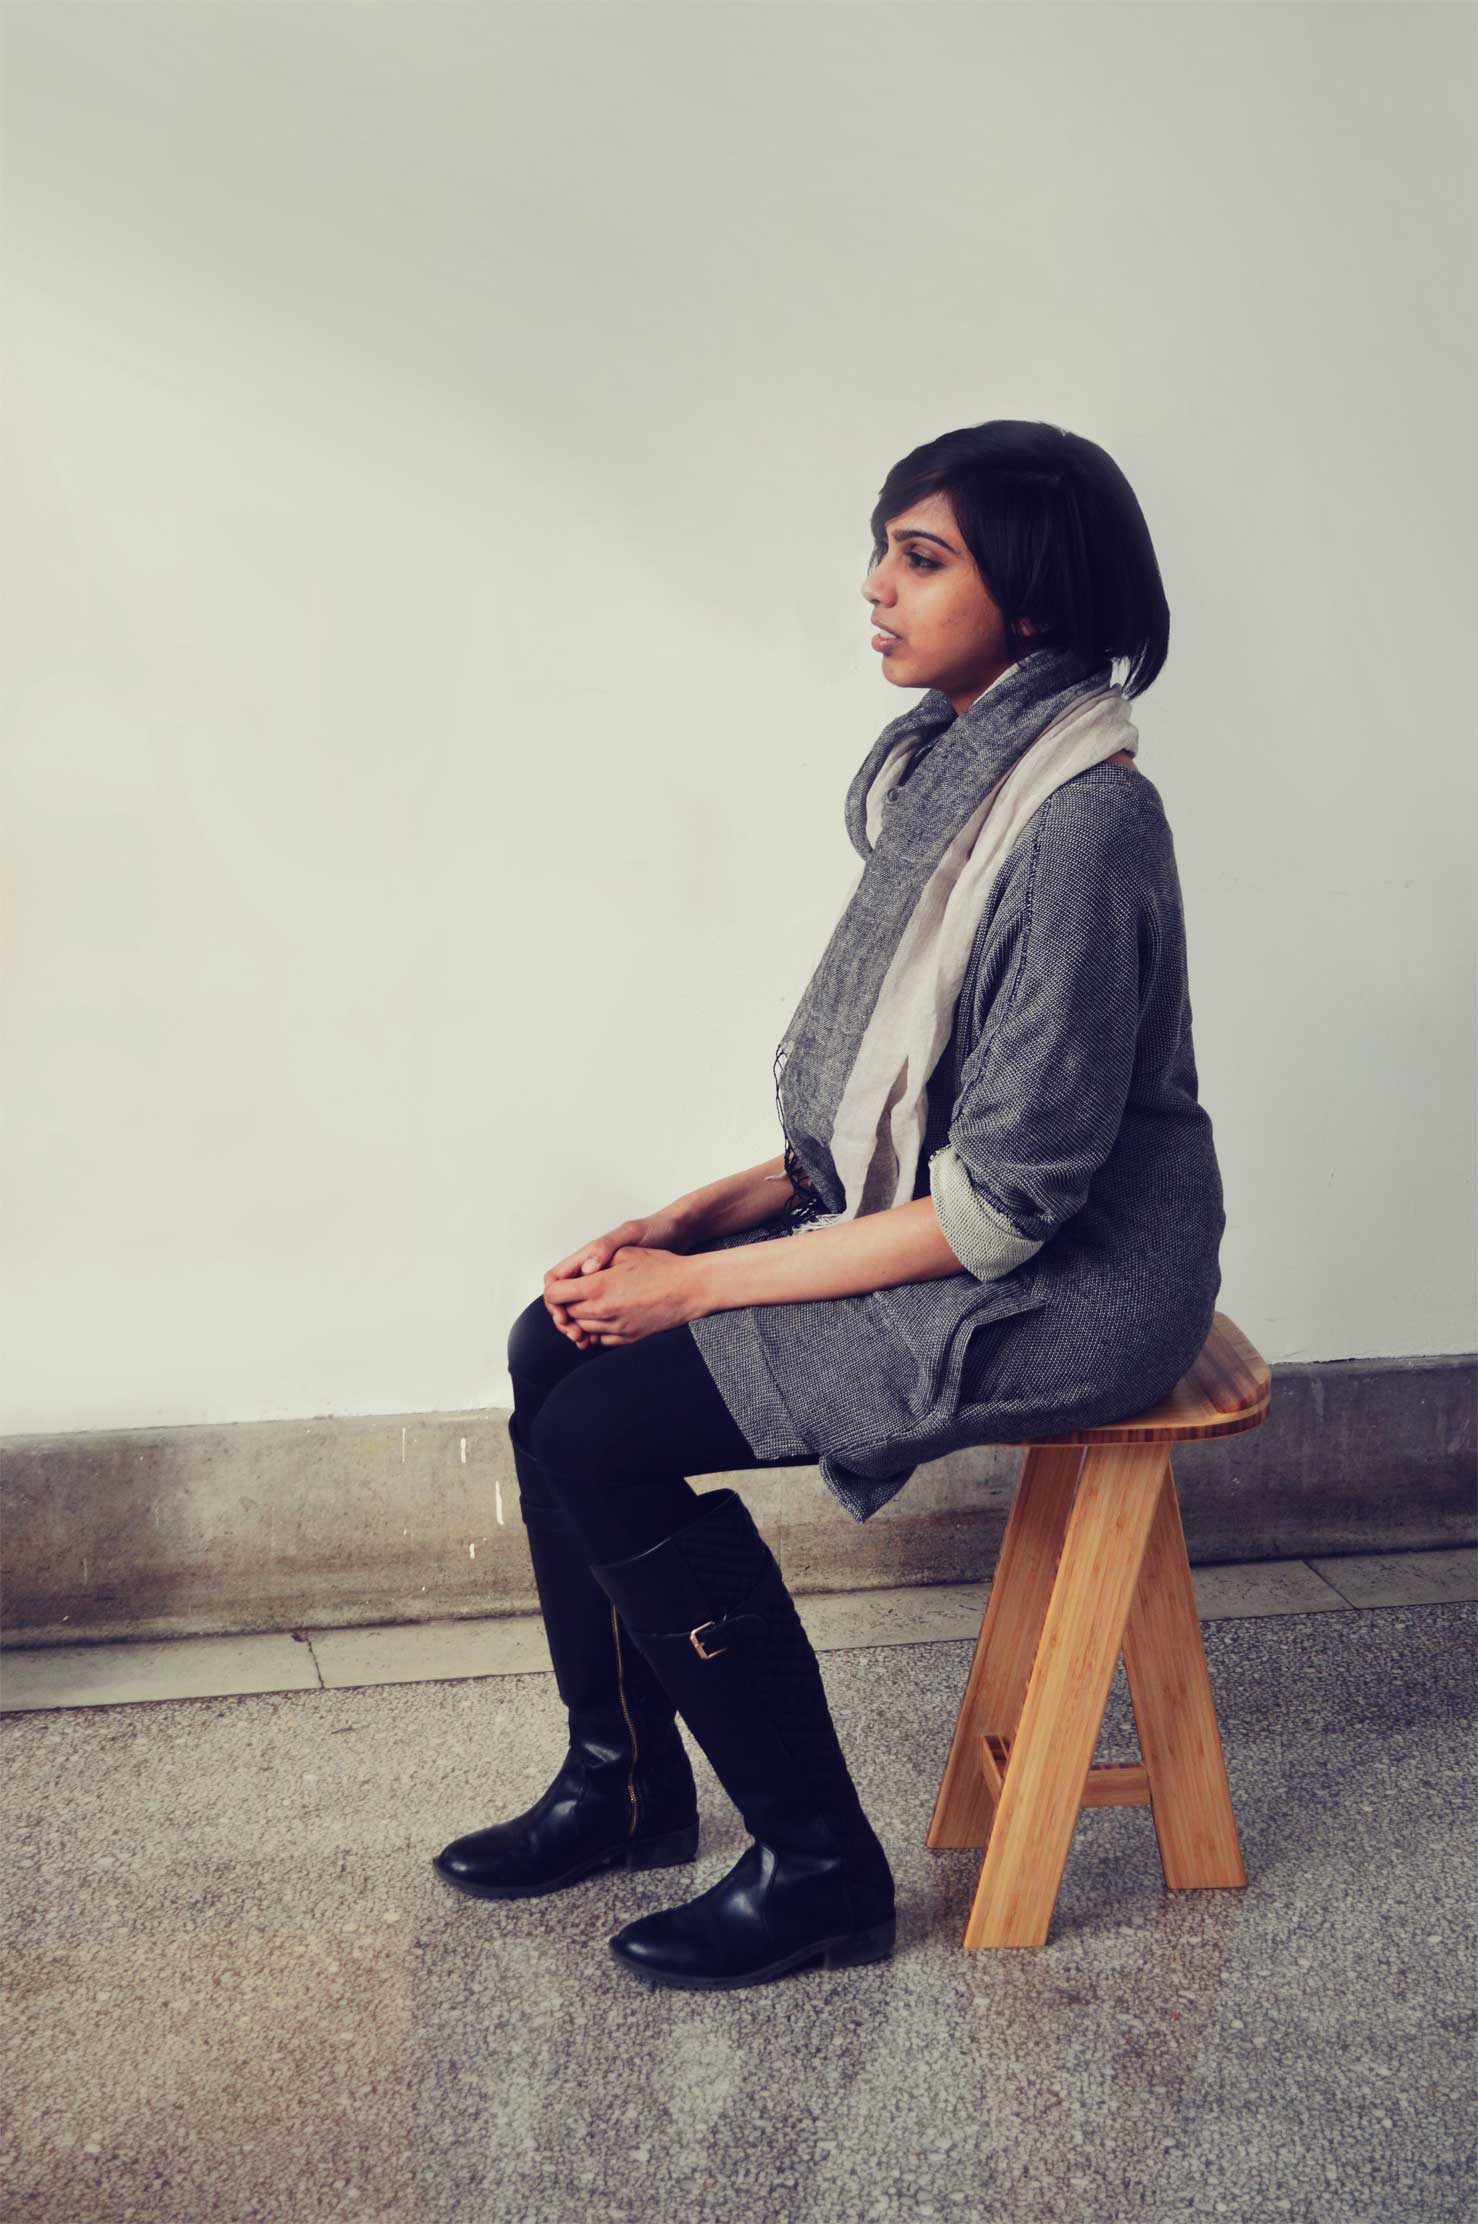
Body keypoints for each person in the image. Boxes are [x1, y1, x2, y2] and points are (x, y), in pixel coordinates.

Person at [432, 420, 1226, 1995]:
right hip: (976, 1224)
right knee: (551, 1346)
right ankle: (623, 1782)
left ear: (1034, 594)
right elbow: (884, 1117)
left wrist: (698, 1291)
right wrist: (692, 1220)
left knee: (605, 1429)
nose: (874, 586)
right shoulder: (955, 776)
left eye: (920, 558)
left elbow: (1007, 1204)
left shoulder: (1082, 821)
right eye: (882, 549)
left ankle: (816, 1871)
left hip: (1077, 1283)